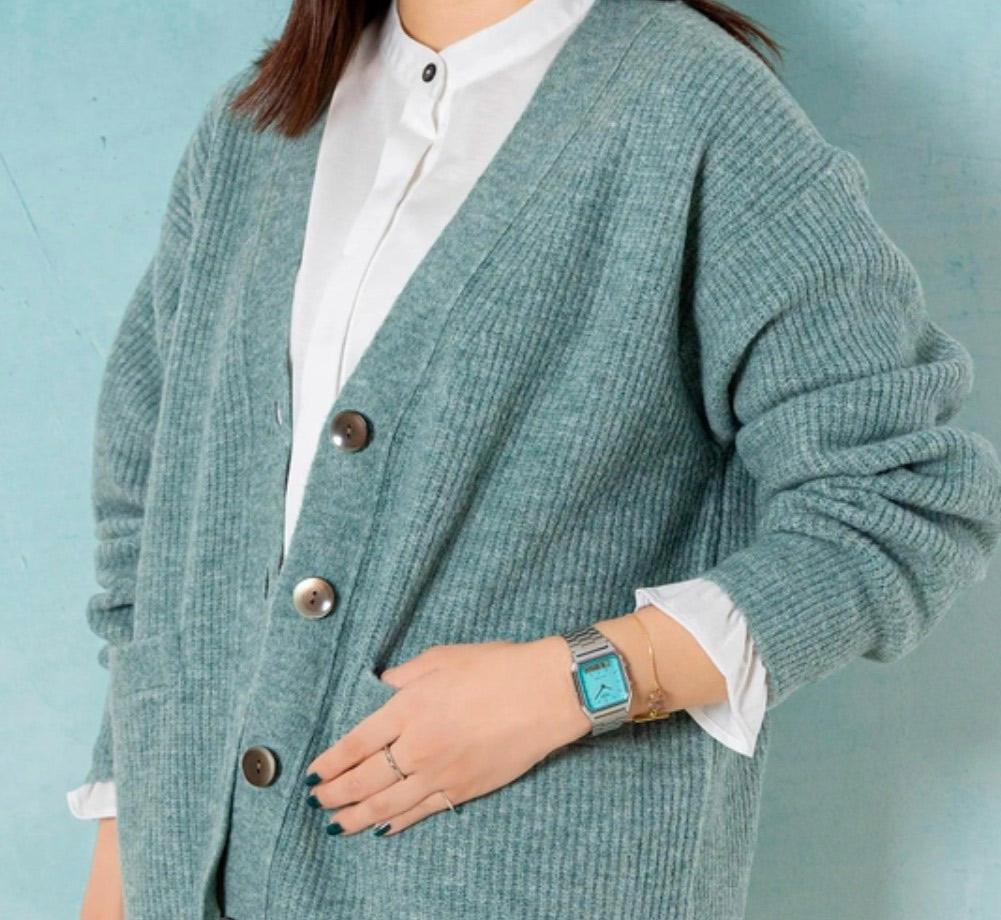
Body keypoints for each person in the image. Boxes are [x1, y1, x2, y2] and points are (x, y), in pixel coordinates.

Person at [71, 0, 1001, 917]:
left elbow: (899, 504)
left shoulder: (692, 107)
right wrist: (119, 885)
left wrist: (571, 685)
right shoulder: (258, 126)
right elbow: (150, 554)